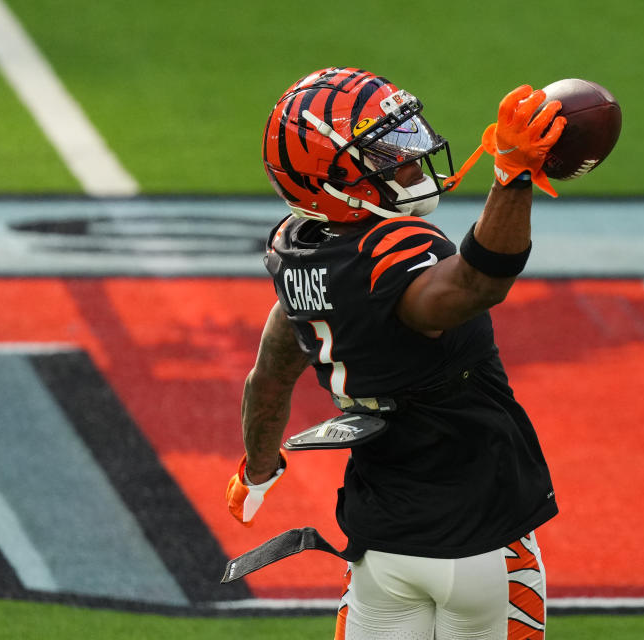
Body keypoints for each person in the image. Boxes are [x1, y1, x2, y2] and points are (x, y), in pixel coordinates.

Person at [225, 67, 566, 640]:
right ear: (331, 180)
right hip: (480, 534)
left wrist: (258, 469)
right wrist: (511, 176)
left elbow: (269, 376)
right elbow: (476, 285)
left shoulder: (298, 255)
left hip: (381, 545)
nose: (410, 157)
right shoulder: (396, 249)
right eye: (382, 151)